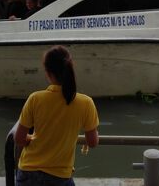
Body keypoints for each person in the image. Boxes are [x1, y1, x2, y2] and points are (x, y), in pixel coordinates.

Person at [15, 46, 99, 186]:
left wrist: (31, 138)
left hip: (28, 173)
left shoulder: (35, 99)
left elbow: (19, 138)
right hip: (59, 177)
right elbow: (92, 142)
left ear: (48, 73)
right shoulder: (86, 103)